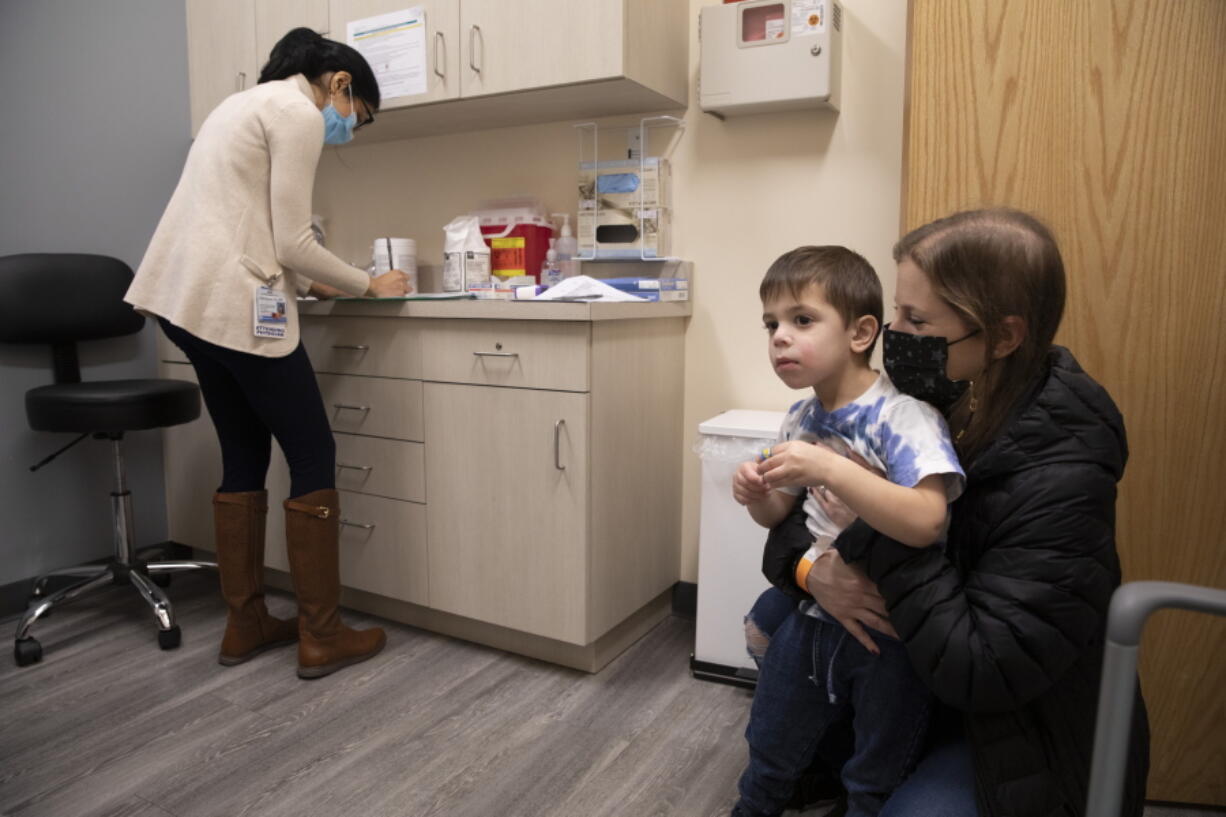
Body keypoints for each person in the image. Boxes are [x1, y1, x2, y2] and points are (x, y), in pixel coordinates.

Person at [750, 209, 1150, 816]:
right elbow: (797, 521)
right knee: (774, 616)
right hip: (927, 636)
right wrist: (810, 569)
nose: (892, 332)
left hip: (1012, 717)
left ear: (1003, 337)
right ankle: (843, 763)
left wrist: (868, 531)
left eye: (916, 319)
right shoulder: (935, 392)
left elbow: (983, 666)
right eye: (896, 314)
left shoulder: (1062, 470)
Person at [125, 28, 411, 679]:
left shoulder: (239, 105)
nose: (348, 130)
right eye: (356, 118)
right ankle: (322, 632)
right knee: (313, 449)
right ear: (340, 84)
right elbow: (292, 241)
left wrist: (308, 278)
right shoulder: (297, 112)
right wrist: (370, 282)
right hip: (232, 307)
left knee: (245, 449)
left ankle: (245, 621)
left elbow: (243, 221)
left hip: (185, 305)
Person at [730, 246, 965, 817]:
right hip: (814, 615)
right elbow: (778, 518)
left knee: (876, 772)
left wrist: (830, 469)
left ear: (861, 333)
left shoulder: (903, 416)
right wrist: (756, 494)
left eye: (801, 320)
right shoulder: (800, 419)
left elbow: (930, 519)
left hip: (890, 631)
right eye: (771, 325)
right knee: (768, 745)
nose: (779, 338)